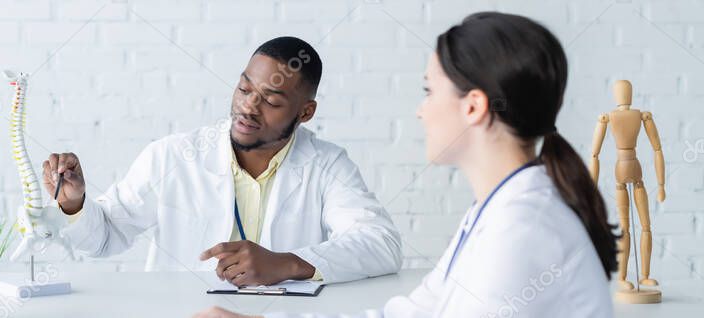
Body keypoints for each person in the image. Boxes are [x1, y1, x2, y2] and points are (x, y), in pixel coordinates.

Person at [194, 12, 616, 318]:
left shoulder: (523, 230)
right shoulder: (498, 213)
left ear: (473, 107)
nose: (421, 111)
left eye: (429, 91)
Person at [43, 37, 402, 286]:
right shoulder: (172, 156)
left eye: (271, 101)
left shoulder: (328, 164)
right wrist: (74, 203)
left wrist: (286, 263)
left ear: (305, 112)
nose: (248, 107)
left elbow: (381, 245)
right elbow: (104, 240)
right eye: (245, 89)